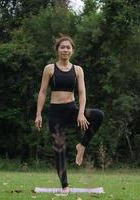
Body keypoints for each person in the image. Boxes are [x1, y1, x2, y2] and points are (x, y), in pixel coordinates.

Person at [34, 35, 104, 193]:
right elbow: (43, 92)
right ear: (57, 50)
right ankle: (65, 186)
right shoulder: (50, 68)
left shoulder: (78, 70)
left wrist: (81, 113)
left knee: (98, 115)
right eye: (62, 47)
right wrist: (38, 114)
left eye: (68, 47)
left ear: (72, 50)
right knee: (60, 148)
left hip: (72, 110)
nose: (65, 50)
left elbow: (82, 93)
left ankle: (82, 145)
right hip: (56, 113)